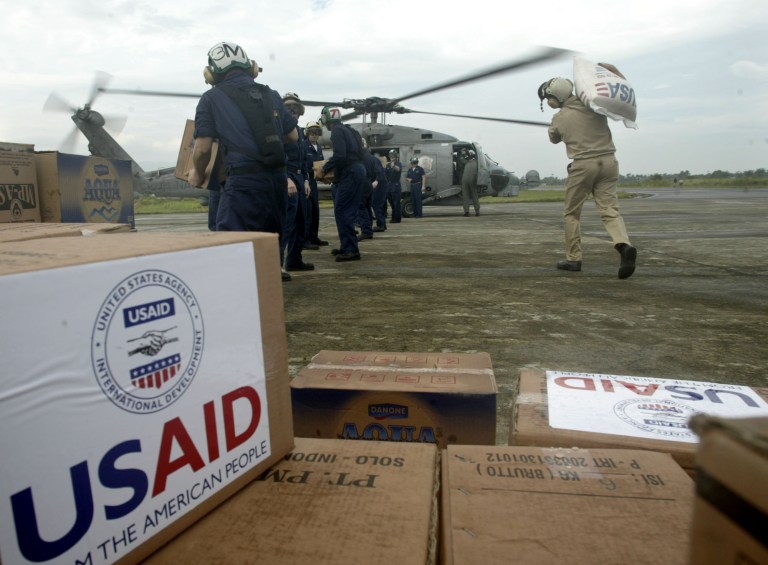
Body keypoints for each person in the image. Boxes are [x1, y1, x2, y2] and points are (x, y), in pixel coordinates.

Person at [188, 41, 297, 281]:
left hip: (243, 184)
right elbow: (292, 135)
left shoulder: (210, 98)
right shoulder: (271, 94)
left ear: (211, 72)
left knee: (231, 249)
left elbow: (203, 147)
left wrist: (197, 172)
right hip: (276, 181)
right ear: (251, 67)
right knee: (268, 249)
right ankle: (267, 306)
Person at [538, 71, 637, 279]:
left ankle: (574, 258)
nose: (549, 102)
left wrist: (556, 124)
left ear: (557, 97)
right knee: (609, 209)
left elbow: (553, 138)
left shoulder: (559, 117)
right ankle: (623, 245)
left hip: (583, 165)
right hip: (609, 162)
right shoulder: (594, 104)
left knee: (571, 213)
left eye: (549, 98)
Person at [320, 106, 366, 262]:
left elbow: (340, 156)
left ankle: (351, 249)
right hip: (357, 170)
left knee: (341, 209)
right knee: (349, 210)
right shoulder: (349, 130)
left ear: (326, 118)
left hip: (350, 172)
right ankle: (347, 246)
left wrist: (325, 168)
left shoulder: (337, 131)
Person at [280, 92, 314, 273]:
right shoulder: (278, 131)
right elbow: (276, 157)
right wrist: (285, 178)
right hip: (287, 177)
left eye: (296, 111)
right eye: (289, 110)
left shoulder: (299, 132)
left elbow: (303, 160)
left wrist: (306, 180)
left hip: (301, 179)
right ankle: (276, 265)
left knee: (302, 221)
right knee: (286, 223)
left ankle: (294, 260)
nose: (293, 114)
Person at [303, 121, 328, 246]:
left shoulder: (318, 147)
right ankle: (305, 239)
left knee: (315, 211)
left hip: (314, 182)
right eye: (311, 132)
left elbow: (321, 164)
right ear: (307, 133)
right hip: (305, 181)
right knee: (307, 211)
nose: (314, 135)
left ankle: (314, 237)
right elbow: (302, 164)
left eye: (316, 133)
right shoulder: (303, 146)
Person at [370, 152, 388, 232]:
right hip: (381, 183)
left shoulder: (373, 160)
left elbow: (379, 172)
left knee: (376, 204)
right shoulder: (373, 159)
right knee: (381, 205)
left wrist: (376, 181)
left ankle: (380, 225)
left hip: (380, 184)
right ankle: (382, 224)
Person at [459, 149, 480, 217]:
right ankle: (477, 212)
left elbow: (461, 159)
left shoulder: (466, 162)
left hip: (464, 180)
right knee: (474, 195)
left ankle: (467, 212)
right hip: (472, 180)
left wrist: (463, 154)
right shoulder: (477, 162)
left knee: (465, 196)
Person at [385, 150, 403, 223]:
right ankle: (394, 217)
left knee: (396, 203)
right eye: (391, 156)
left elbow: (398, 169)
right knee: (391, 203)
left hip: (395, 186)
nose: (392, 157)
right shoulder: (388, 165)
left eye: (393, 156)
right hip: (389, 187)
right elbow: (385, 174)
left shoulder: (399, 164)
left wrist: (394, 166)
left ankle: (397, 218)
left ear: (396, 157)